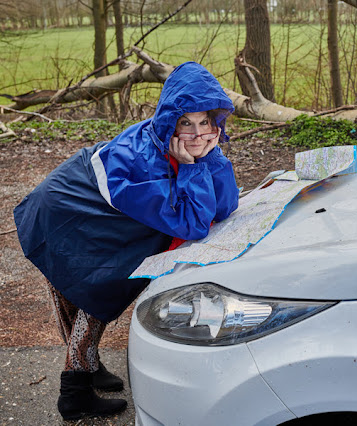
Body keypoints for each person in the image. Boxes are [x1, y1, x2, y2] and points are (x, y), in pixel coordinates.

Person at [13, 62, 239, 420]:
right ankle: (74, 392)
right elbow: (193, 224)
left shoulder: (190, 147)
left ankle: (87, 363)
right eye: (186, 122)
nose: (197, 133)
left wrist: (210, 159)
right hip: (63, 210)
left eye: (204, 122)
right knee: (94, 288)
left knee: (91, 289)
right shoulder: (147, 162)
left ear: (216, 122)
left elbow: (224, 206)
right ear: (170, 120)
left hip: (84, 209)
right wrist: (197, 168)